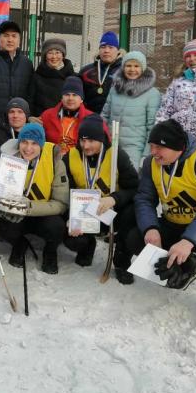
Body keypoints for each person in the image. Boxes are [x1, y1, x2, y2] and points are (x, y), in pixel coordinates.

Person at [129, 120, 196, 333]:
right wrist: (151, 228)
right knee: (135, 237)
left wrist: (188, 241)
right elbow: (144, 198)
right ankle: (185, 268)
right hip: (174, 221)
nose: (153, 152)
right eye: (151, 146)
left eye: (159, 147)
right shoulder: (151, 164)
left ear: (177, 147)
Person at [63, 115, 139, 283]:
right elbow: (64, 190)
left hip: (111, 211)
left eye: (91, 141)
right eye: (82, 140)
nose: (86, 146)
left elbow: (135, 188)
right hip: (83, 211)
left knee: (133, 212)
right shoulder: (71, 157)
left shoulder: (116, 155)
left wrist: (115, 198)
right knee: (69, 235)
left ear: (101, 139)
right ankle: (87, 246)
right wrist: (70, 216)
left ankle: (121, 261)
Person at [0, 122, 69, 275]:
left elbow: (61, 204)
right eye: (24, 142)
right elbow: (0, 190)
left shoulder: (55, 161)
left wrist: (29, 207)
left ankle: (50, 251)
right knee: (1, 224)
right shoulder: (8, 159)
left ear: (41, 145)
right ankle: (20, 243)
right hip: (18, 213)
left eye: (34, 143)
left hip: (42, 213)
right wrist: (3, 203)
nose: (28, 148)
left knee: (56, 227)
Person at [101, 51, 161, 170]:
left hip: (135, 148)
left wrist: (146, 154)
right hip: (111, 144)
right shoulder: (115, 90)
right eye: (128, 65)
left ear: (142, 68)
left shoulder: (152, 94)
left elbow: (152, 127)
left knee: (130, 181)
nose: (132, 69)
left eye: (136, 66)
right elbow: (104, 116)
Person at [40, 76, 94, 156]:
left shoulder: (92, 119)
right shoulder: (47, 115)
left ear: (81, 99)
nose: (70, 98)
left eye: (75, 95)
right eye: (67, 94)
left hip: (78, 161)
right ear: (61, 97)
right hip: (52, 160)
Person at [79, 31, 123, 113]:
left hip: (114, 120)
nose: (106, 50)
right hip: (89, 120)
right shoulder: (85, 71)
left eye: (110, 47)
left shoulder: (124, 71)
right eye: (103, 47)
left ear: (118, 50)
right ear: (99, 49)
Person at [31, 37, 76, 116]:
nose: (54, 57)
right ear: (45, 56)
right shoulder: (36, 77)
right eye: (50, 53)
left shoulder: (73, 78)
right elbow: (30, 101)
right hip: (42, 121)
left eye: (57, 52)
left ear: (63, 55)